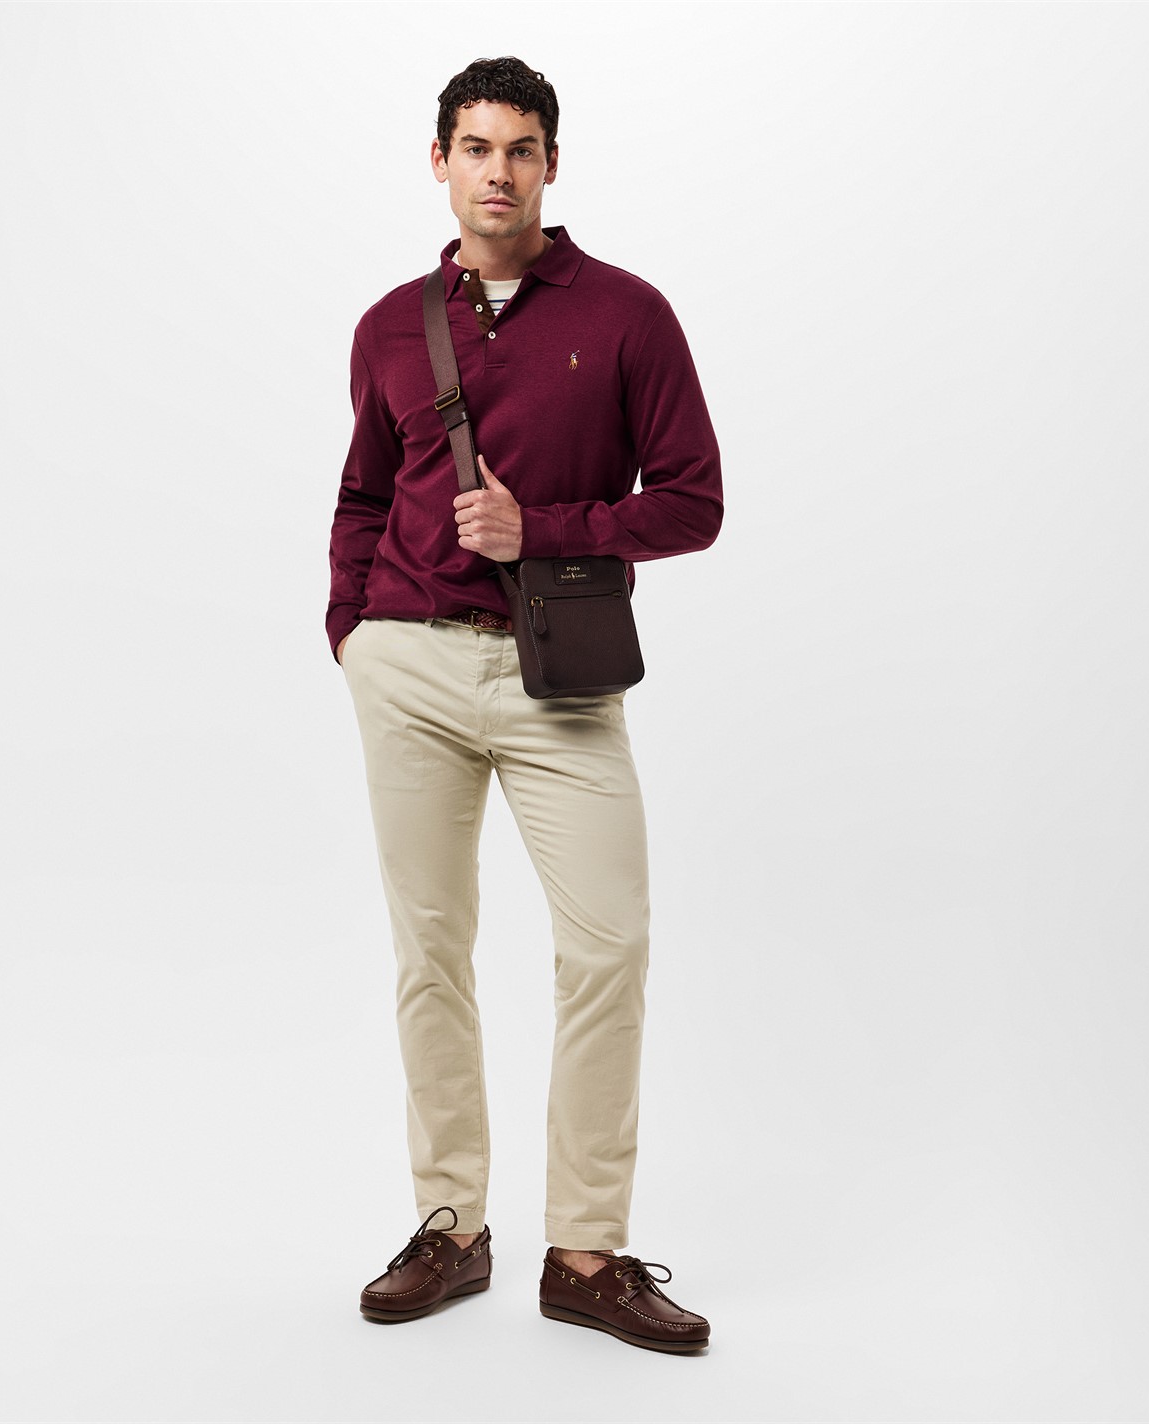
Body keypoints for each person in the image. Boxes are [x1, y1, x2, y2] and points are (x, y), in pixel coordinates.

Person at [325, 56, 723, 1354]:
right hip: (409, 667)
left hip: (560, 674)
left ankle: (584, 1251)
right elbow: (363, 494)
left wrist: (540, 528)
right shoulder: (390, 326)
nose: (497, 171)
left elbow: (692, 499)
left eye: (521, 148)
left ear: (552, 164)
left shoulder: (627, 315)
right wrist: (353, 632)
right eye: (475, 146)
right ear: (438, 161)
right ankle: (450, 1227)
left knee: (607, 947)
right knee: (430, 951)